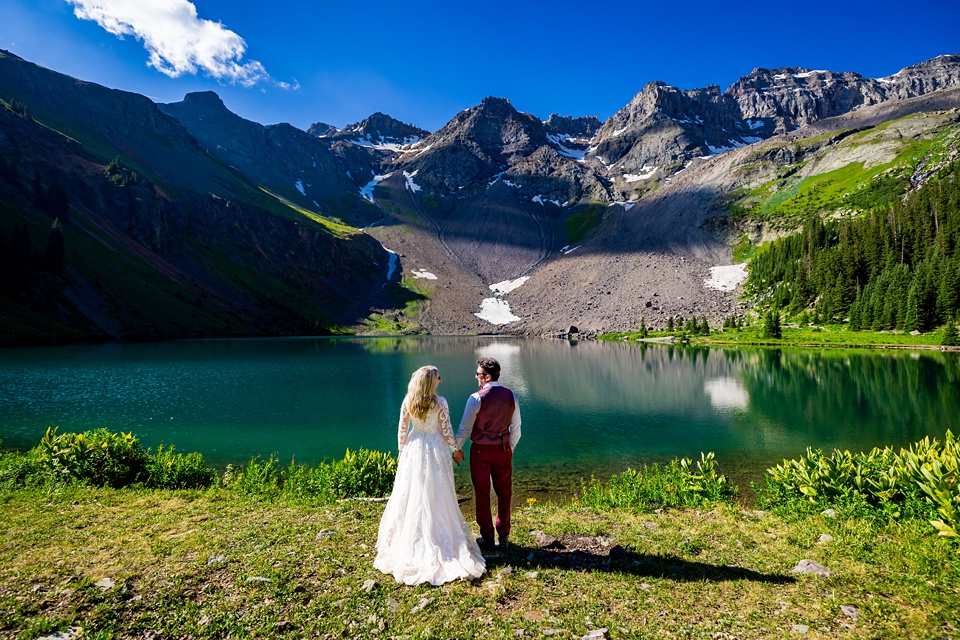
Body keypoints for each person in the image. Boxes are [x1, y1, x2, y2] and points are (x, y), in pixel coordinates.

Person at [373, 365, 486, 585]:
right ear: (430, 382)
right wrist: (456, 449)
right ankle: (439, 536)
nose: (440, 380)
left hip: (414, 448)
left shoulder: (409, 401)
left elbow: (402, 430)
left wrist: (402, 452)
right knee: (438, 491)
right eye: (437, 378)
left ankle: (410, 536)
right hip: (435, 448)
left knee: (412, 491)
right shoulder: (440, 402)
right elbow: (446, 430)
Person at [453, 357, 521, 551]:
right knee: (504, 491)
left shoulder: (475, 398)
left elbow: (465, 429)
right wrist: (509, 449)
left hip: (481, 452)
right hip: (502, 450)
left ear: (487, 377)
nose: (476, 377)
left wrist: (457, 450)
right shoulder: (512, 396)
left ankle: (488, 537)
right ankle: (504, 535)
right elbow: (516, 429)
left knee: (482, 493)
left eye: (478, 374)